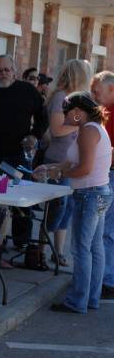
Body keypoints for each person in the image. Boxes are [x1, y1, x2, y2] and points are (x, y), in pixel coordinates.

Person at [34, 92, 113, 313]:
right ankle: (90, 299)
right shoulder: (93, 128)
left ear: (78, 113)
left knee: (81, 249)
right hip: (99, 192)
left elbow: (83, 169)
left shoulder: (88, 131)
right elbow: (72, 163)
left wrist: (56, 173)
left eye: (66, 111)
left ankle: (77, 301)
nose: (63, 115)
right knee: (95, 248)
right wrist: (51, 168)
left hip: (89, 193)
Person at [0, 54, 47, 249]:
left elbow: (43, 117)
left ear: (14, 71)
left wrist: (35, 135)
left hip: (18, 156)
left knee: (21, 199)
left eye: (7, 70)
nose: (3, 74)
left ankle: (21, 242)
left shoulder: (27, 91)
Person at [39, 59, 93, 266]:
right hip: (57, 159)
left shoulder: (77, 99)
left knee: (66, 208)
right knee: (55, 208)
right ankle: (40, 250)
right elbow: (57, 130)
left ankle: (58, 251)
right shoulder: (61, 97)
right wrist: (83, 124)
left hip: (70, 162)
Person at [91, 71, 114, 300]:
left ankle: (107, 281)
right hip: (106, 174)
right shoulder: (104, 110)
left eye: (97, 90)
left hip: (110, 175)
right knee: (103, 231)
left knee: (106, 231)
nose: (94, 95)